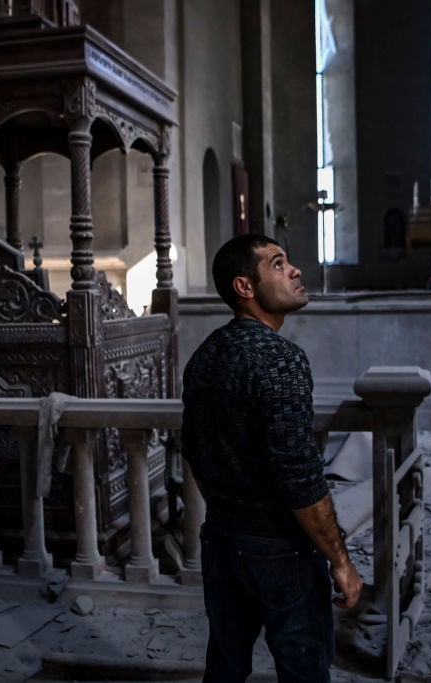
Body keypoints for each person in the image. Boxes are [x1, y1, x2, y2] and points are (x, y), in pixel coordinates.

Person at [181, 234, 363, 682]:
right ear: (245, 287)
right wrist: (340, 560)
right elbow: (299, 475)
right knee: (304, 671)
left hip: (222, 540)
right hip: (280, 551)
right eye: (279, 264)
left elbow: (195, 452)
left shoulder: (205, 356)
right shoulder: (280, 359)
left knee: (224, 669)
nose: (295, 270)